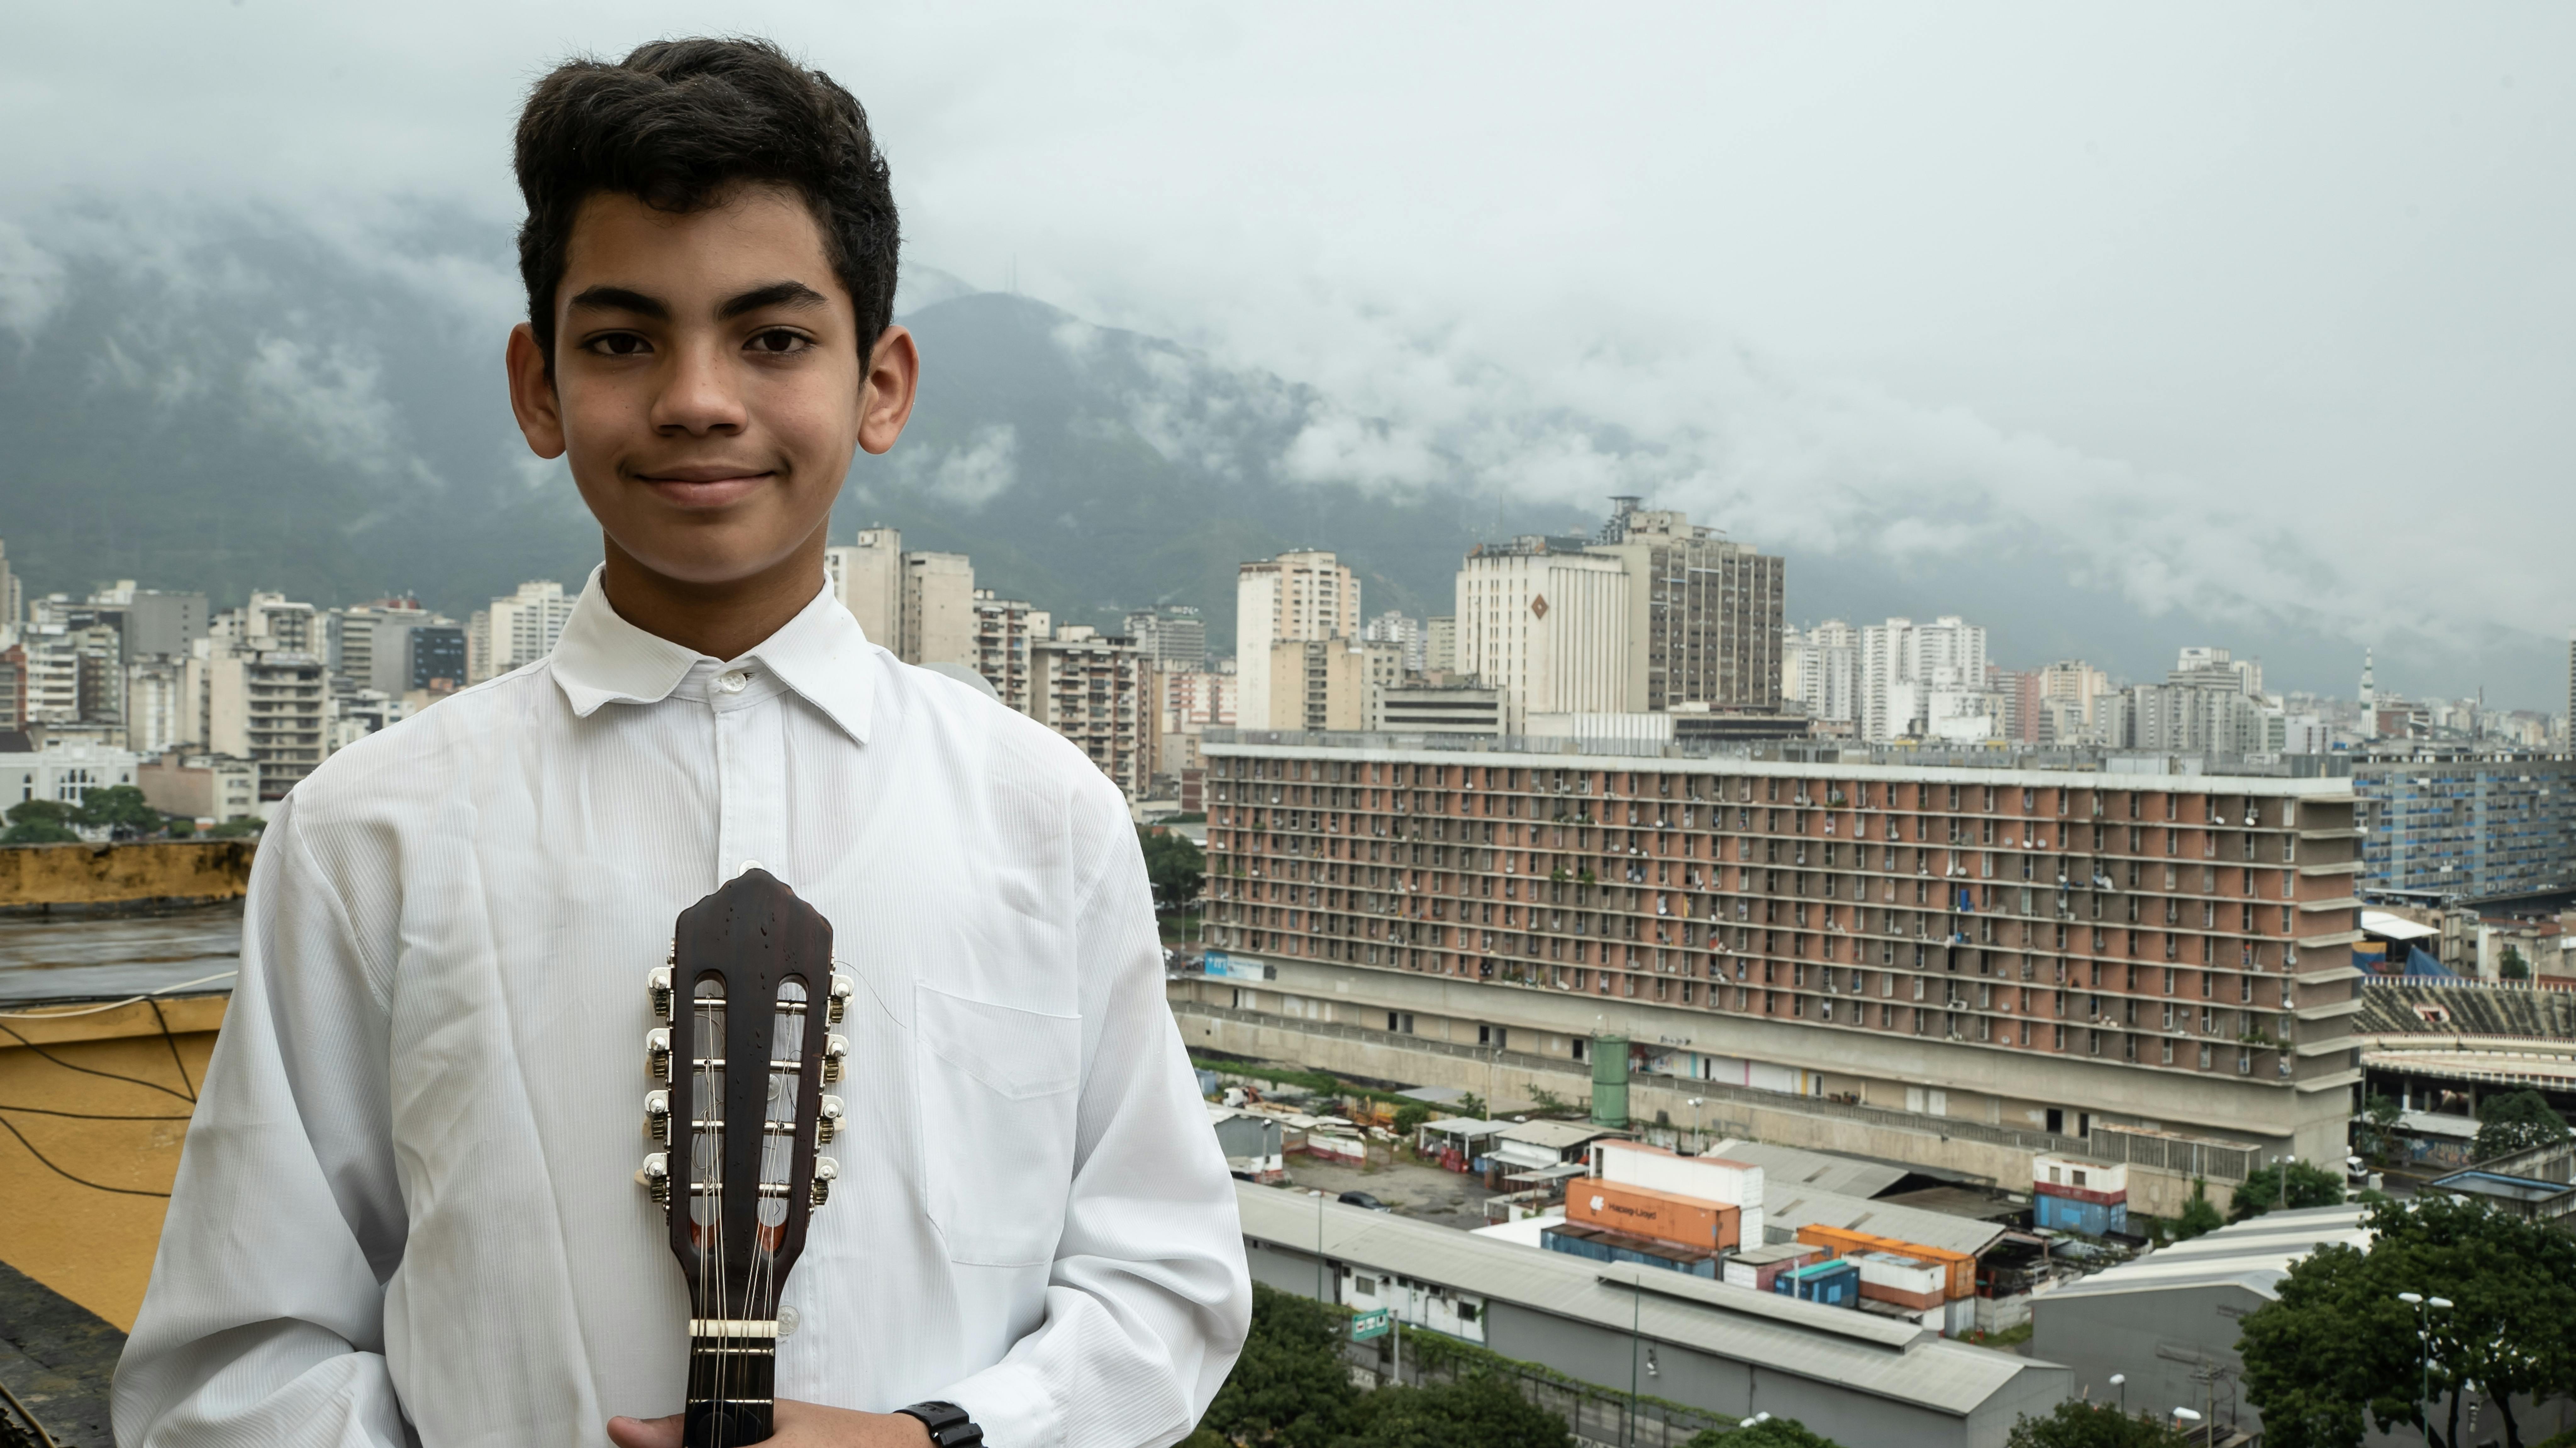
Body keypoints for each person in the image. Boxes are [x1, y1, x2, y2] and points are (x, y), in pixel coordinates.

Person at [113, 37, 1250, 1448]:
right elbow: (236, 1354)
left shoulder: (1040, 809)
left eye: (772, 338)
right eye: (622, 339)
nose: (697, 397)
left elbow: (1164, 1281)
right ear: (538, 385)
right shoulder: (371, 831)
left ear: (878, 384)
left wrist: (944, 1440)